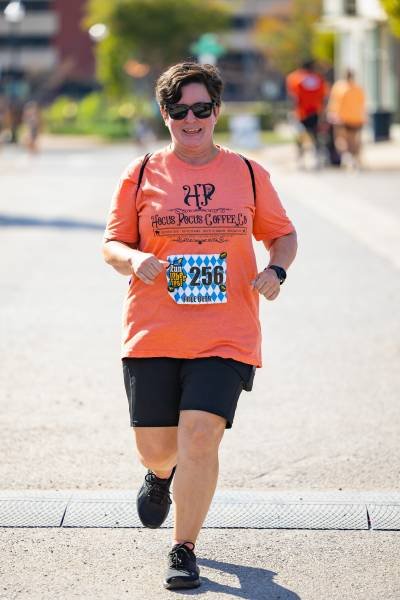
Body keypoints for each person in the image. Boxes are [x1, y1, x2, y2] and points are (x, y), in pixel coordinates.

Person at [102, 62, 297, 590]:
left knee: (201, 435)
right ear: (165, 114)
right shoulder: (141, 172)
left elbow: (282, 234)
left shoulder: (248, 173)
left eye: (202, 109)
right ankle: (159, 474)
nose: (191, 119)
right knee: (159, 447)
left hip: (226, 330)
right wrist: (132, 258)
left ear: (217, 111)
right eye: (179, 110)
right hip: (154, 329)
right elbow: (112, 243)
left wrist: (276, 270)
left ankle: (183, 547)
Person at [286, 60, 329, 168]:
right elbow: (323, 97)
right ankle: (316, 159)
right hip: (315, 112)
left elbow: (293, 97)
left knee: (299, 137)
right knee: (315, 136)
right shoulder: (318, 79)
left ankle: (300, 159)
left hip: (301, 113)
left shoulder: (294, 78)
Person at [327, 69, 366, 169]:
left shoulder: (339, 87)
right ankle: (354, 158)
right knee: (353, 140)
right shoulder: (358, 88)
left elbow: (334, 102)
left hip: (342, 118)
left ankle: (347, 157)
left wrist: (331, 114)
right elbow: (362, 103)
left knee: (341, 139)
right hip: (355, 118)